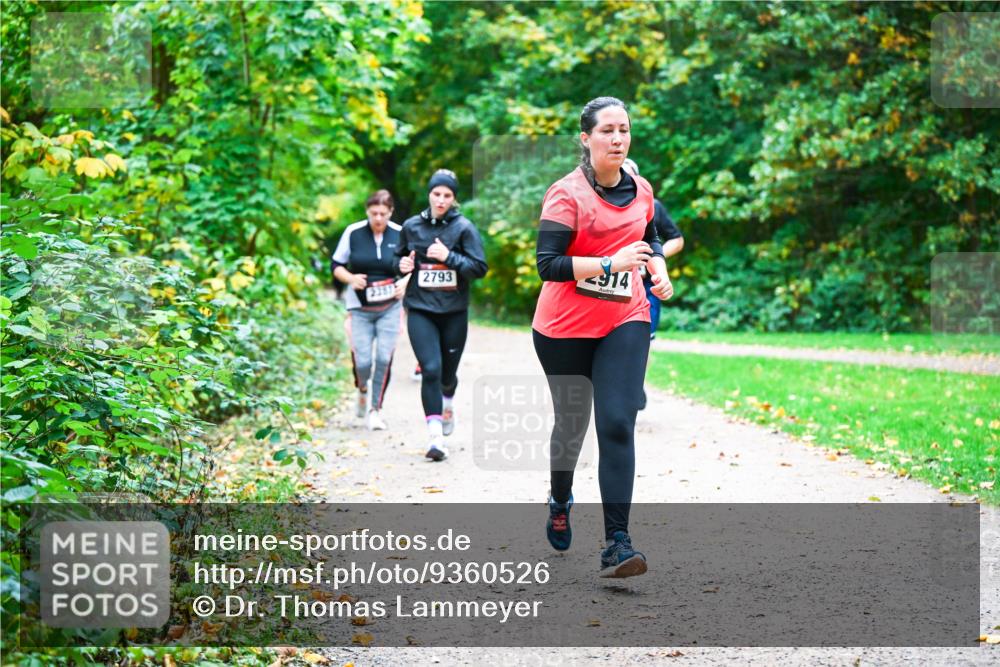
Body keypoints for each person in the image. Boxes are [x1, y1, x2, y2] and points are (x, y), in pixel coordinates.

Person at [533, 97, 673, 578]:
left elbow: (651, 237)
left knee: (617, 420)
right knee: (571, 426)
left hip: (623, 317)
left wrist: (657, 267)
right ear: (586, 138)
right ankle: (559, 496)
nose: (617, 139)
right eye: (607, 131)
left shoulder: (642, 189)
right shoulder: (566, 194)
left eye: (624, 130)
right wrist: (611, 263)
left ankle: (618, 543)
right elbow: (547, 265)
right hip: (564, 328)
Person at [394, 169, 488, 462]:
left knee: (447, 375)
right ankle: (435, 438)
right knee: (430, 369)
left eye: (447, 195)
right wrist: (402, 266)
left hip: (453, 312)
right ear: (429, 194)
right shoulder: (411, 227)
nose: (441, 200)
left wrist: (448, 257)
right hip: (420, 308)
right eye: (437, 194)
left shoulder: (464, 228)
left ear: (454, 198)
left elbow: (479, 268)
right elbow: (396, 258)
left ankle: (448, 400)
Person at [332, 189, 409, 431]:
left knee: (384, 358)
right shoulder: (353, 233)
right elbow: (336, 264)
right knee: (363, 361)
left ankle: (375, 410)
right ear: (367, 211)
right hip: (360, 307)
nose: (378, 218)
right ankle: (362, 389)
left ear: (391, 212)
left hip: (390, 306)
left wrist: (405, 283)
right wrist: (351, 278)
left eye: (383, 214)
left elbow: (414, 265)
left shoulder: (400, 233)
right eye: (374, 213)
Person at [622, 158, 685, 410]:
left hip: (646, 286)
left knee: (645, 337)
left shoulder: (651, 206)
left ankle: (635, 384)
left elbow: (676, 239)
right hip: (612, 285)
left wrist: (654, 259)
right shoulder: (599, 206)